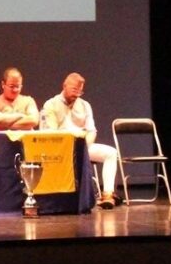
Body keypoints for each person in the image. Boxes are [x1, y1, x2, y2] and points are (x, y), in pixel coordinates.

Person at [42, 72, 119, 209]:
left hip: (82, 146)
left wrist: (83, 146)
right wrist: (69, 146)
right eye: (74, 90)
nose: (77, 94)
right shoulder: (51, 104)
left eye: (80, 91)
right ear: (64, 86)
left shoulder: (85, 105)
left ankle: (107, 194)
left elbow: (91, 131)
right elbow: (52, 133)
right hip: (61, 149)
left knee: (111, 153)